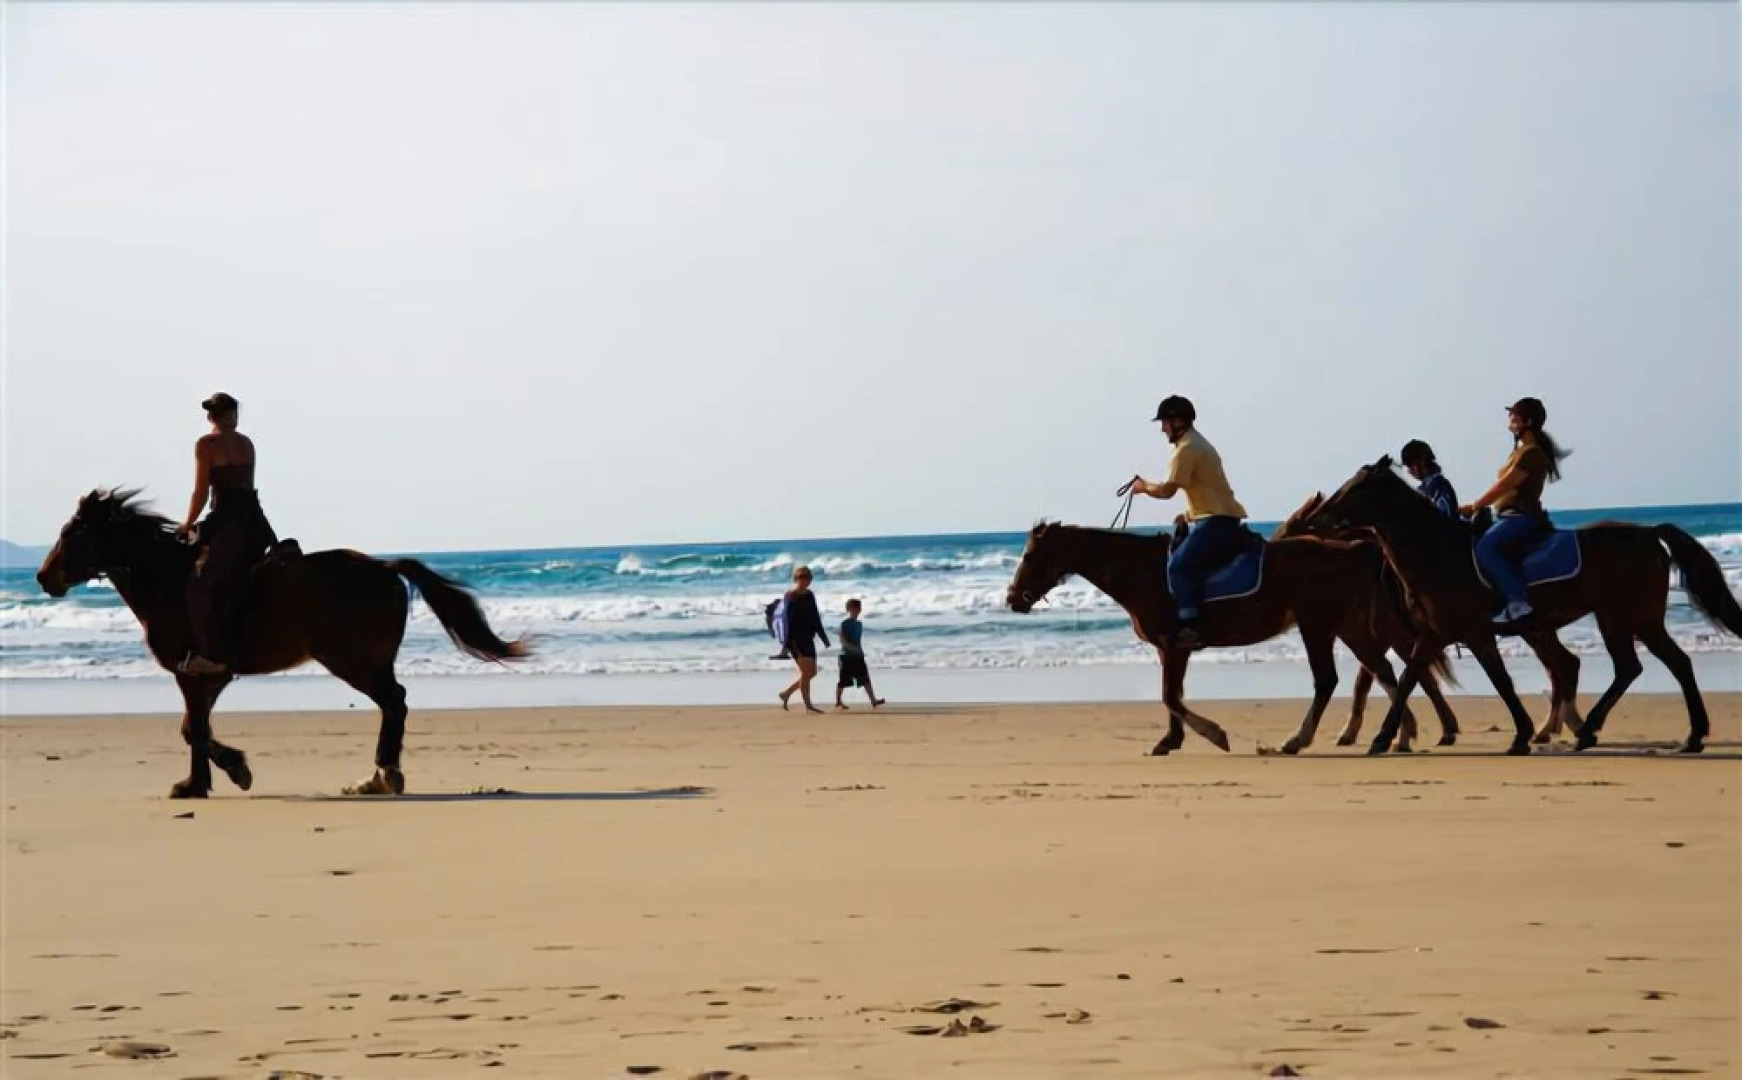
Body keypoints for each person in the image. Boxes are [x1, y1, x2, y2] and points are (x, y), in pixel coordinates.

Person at [1126, 395, 1250, 650]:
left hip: (1215, 523)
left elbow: (1166, 491)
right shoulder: (1198, 443)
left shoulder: (1186, 450)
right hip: (1215, 518)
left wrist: (1142, 487)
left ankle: (1191, 627)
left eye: (1164, 423)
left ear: (1177, 422)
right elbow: (1205, 488)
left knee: (1178, 567)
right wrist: (1190, 513)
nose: (1162, 429)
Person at [174, 392, 279, 676]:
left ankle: (209, 653)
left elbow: (201, 491)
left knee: (198, 585)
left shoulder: (206, 445)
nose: (232, 419)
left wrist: (187, 524)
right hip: (254, 520)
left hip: (227, 522)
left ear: (211, 418)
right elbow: (246, 489)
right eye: (230, 414)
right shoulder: (246, 444)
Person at [1459, 397, 1571, 625]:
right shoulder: (1519, 452)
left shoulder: (1531, 453)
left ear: (1526, 422)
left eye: (1513, 418)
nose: (1509, 423)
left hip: (1522, 517)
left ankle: (1518, 601)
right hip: (1507, 515)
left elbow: (1504, 485)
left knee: (1485, 548)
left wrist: (1474, 505)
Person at [777, 565, 830, 714]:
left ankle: (786, 693)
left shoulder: (810, 595)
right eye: (802, 577)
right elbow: (786, 621)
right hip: (795, 640)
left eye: (808, 577)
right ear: (796, 579)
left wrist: (823, 636)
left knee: (811, 672)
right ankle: (808, 705)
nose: (805, 580)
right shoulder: (790, 596)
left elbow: (815, 617)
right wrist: (786, 644)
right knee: (807, 672)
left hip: (808, 638)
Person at [834, 598, 887, 710]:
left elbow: (858, 640)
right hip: (846, 656)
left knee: (865, 678)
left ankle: (873, 701)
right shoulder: (844, 624)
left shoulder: (859, 624)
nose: (857, 610)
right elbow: (842, 640)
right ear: (848, 609)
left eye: (859, 608)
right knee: (843, 680)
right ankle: (838, 701)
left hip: (858, 655)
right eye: (855, 608)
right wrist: (852, 649)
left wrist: (860, 651)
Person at [1399, 439, 1461, 519]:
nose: (1410, 471)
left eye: (1410, 466)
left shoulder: (1437, 484)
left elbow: (1445, 517)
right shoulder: (1425, 488)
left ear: (1420, 462)